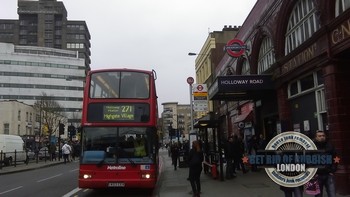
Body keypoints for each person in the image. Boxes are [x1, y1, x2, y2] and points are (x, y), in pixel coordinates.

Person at [313, 130, 337, 197]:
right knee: (318, 195)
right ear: (316, 137)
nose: (322, 137)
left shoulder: (330, 145)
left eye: (323, 136)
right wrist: (313, 173)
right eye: (319, 136)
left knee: (332, 194)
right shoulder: (311, 147)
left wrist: (333, 169)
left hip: (329, 174)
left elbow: (336, 158)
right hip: (317, 176)